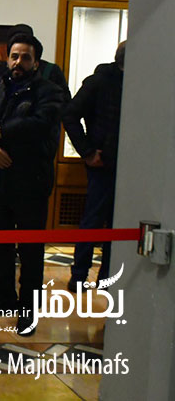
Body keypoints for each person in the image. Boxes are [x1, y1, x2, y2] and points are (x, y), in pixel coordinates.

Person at [0, 33, 66, 336]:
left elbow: (39, 125)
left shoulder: (49, 91)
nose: (18, 62)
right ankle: (5, 298)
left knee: (31, 251)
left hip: (31, 182)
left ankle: (28, 310)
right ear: (8, 58)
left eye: (25, 57)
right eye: (14, 56)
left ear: (36, 62)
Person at [62, 41, 126, 291]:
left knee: (115, 221)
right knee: (95, 219)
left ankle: (103, 276)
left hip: (121, 161)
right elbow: (70, 114)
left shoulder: (104, 81)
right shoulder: (100, 81)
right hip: (103, 161)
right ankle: (80, 275)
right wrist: (87, 151)